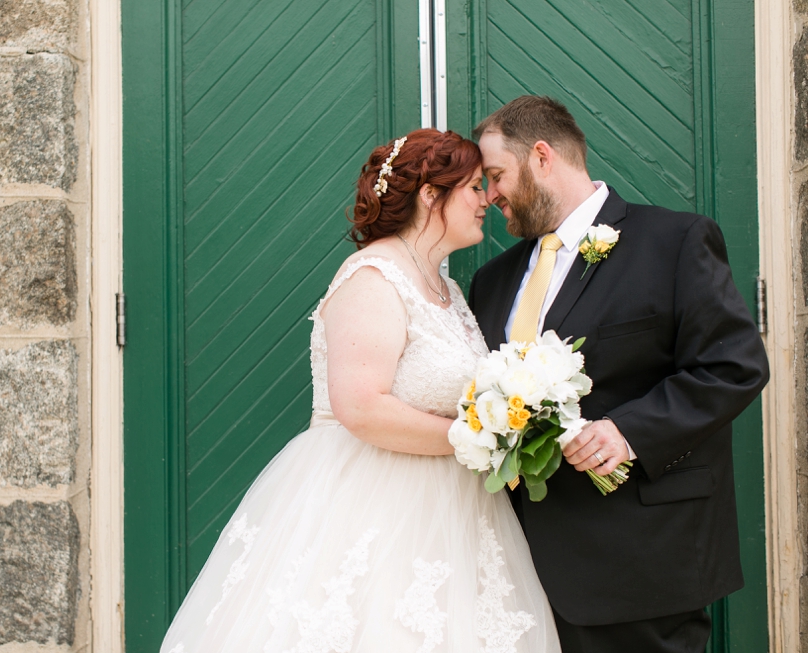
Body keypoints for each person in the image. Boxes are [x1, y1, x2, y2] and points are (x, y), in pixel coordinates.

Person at [160, 128, 561, 652]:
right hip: (370, 498)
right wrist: (481, 438)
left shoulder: (446, 286)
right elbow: (362, 407)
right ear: (429, 195)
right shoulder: (373, 276)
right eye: (472, 187)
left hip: (454, 510)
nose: (487, 200)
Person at [468, 95, 770, 653]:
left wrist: (628, 431)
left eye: (494, 176)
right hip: (517, 574)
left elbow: (733, 365)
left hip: (641, 564)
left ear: (541, 156)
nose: (490, 197)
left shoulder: (675, 241)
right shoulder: (491, 281)